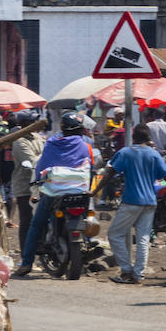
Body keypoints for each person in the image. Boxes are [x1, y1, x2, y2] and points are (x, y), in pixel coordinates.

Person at [97, 123, 166, 285]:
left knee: (115, 235)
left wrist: (95, 191)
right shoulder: (154, 154)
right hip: (150, 201)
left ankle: (127, 270)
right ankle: (138, 275)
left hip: (131, 201)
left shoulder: (126, 152)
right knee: (144, 238)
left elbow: (110, 173)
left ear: (134, 137)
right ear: (148, 137)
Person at [17, 111, 99, 275]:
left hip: (54, 193)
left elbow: (41, 168)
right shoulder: (86, 146)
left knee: (36, 224)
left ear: (62, 128)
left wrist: (38, 182)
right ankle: (88, 246)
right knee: (85, 217)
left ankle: (26, 263)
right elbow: (91, 169)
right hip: (81, 192)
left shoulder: (52, 143)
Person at [10, 111, 47, 246]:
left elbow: (46, 154)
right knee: (26, 220)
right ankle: (26, 254)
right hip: (25, 186)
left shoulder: (37, 137)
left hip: (41, 184)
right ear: (25, 124)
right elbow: (32, 161)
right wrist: (44, 157)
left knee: (42, 219)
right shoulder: (19, 141)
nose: (35, 124)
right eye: (32, 121)